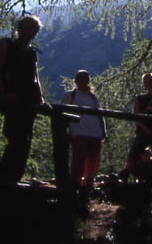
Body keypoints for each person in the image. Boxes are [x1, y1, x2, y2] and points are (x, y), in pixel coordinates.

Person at [0, 14, 47, 183]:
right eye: (31, 29)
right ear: (21, 29)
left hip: (28, 102)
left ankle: (10, 179)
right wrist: (3, 94)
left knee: (24, 140)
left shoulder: (30, 52)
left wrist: (40, 100)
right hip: (15, 100)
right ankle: (4, 180)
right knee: (16, 139)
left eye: (35, 30)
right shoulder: (9, 48)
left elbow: (34, 78)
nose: (33, 33)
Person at [61, 70, 107, 204]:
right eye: (80, 79)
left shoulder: (93, 97)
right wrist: (66, 131)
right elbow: (63, 115)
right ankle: (76, 188)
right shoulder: (70, 96)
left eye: (85, 79)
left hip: (95, 133)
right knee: (79, 161)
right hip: (78, 132)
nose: (83, 82)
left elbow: (100, 114)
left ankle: (86, 189)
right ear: (76, 81)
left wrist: (103, 131)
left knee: (93, 162)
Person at [120, 72, 152, 181]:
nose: (151, 83)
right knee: (135, 150)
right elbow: (136, 117)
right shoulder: (140, 99)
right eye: (148, 81)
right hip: (143, 132)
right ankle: (127, 172)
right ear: (144, 84)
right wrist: (146, 129)